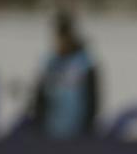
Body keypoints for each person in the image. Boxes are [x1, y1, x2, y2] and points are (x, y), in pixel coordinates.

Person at [30, 11, 99, 139]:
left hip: (77, 134)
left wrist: (87, 128)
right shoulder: (50, 63)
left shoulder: (84, 63)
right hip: (50, 133)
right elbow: (40, 97)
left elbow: (93, 99)